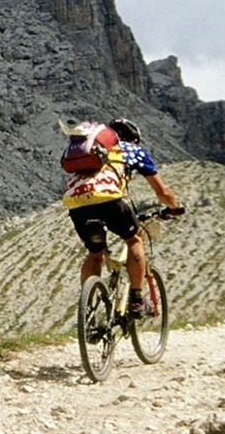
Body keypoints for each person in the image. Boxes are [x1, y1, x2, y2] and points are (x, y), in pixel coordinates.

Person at [61, 117, 185, 319]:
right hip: (108, 200)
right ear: (134, 139)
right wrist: (175, 207)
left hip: (77, 203)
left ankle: (88, 311)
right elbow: (162, 192)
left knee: (95, 253)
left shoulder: (94, 148)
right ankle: (136, 301)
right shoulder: (133, 150)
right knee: (135, 239)